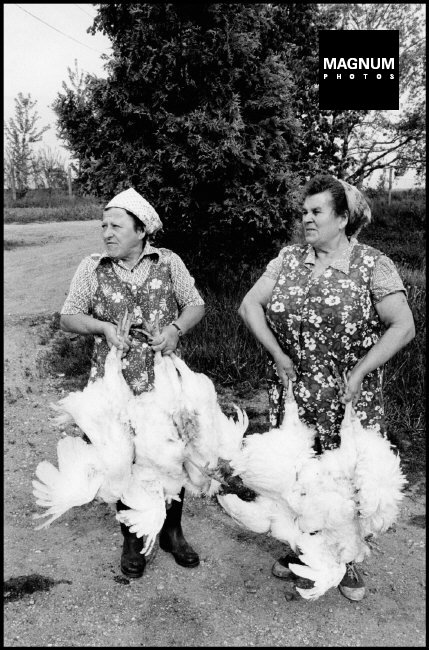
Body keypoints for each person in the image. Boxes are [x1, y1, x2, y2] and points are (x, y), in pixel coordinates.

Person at [238, 174, 415, 601]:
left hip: (347, 395)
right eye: (304, 212)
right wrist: (278, 354)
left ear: (342, 218)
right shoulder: (288, 259)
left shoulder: (373, 264)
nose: (307, 219)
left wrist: (359, 372)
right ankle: (301, 549)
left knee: (344, 478)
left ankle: (347, 559)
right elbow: (249, 305)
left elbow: (403, 326)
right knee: (297, 472)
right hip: (295, 392)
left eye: (316, 212)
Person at [60, 187, 205, 579]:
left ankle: (173, 532)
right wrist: (103, 327)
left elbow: (196, 303)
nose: (107, 233)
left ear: (141, 231)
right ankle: (134, 538)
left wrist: (175, 329)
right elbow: (68, 317)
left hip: (163, 379)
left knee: (171, 453)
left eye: (116, 226)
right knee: (121, 457)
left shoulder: (168, 262)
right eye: (103, 226)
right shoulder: (92, 268)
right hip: (116, 381)